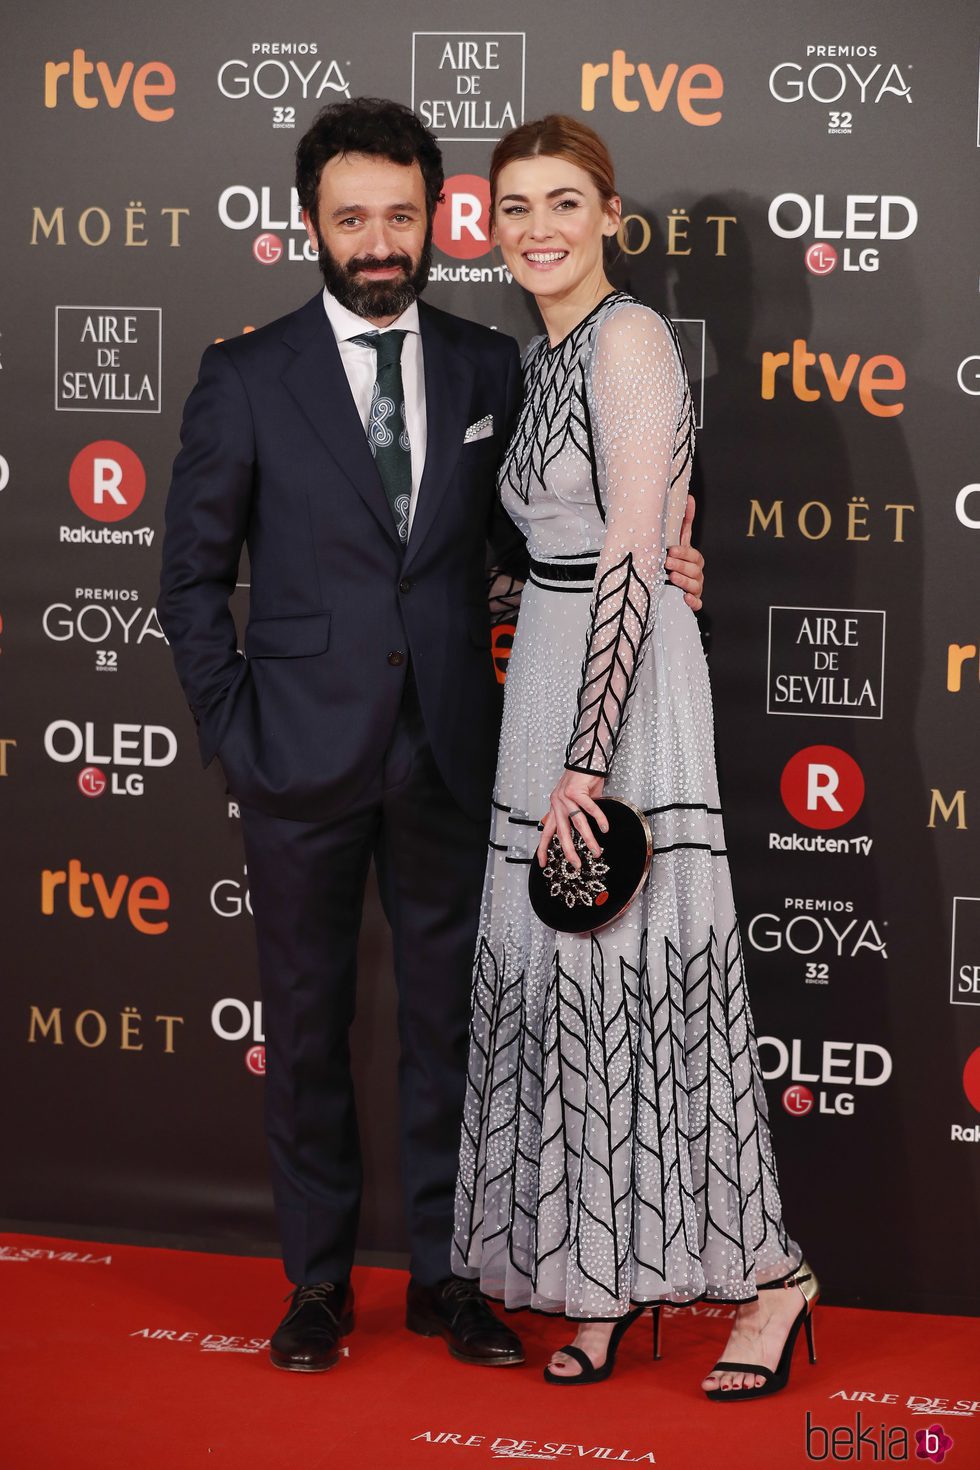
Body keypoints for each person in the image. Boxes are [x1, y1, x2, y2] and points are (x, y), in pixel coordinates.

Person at [158, 98, 706, 1376]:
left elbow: (526, 545)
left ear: (433, 217)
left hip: (460, 748)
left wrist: (669, 551)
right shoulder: (243, 376)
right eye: (351, 218)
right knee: (303, 1030)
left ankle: (453, 1279)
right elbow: (189, 582)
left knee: (455, 1029)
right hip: (295, 755)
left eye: (401, 215)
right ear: (311, 225)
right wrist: (237, 733)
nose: (378, 239)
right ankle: (315, 1286)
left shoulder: (484, 365)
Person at [452, 115, 817, 1402]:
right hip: (548, 668)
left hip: (613, 688)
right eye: (513, 208)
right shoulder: (539, 354)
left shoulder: (627, 339)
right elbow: (558, 546)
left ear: (611, 216)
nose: (537, 228)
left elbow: (622, 556)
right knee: (566, 989)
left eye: (563, 202)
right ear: (489, 227)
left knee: (637, 974)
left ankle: (768, 1280)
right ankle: (596, 1274)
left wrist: (583, 759)